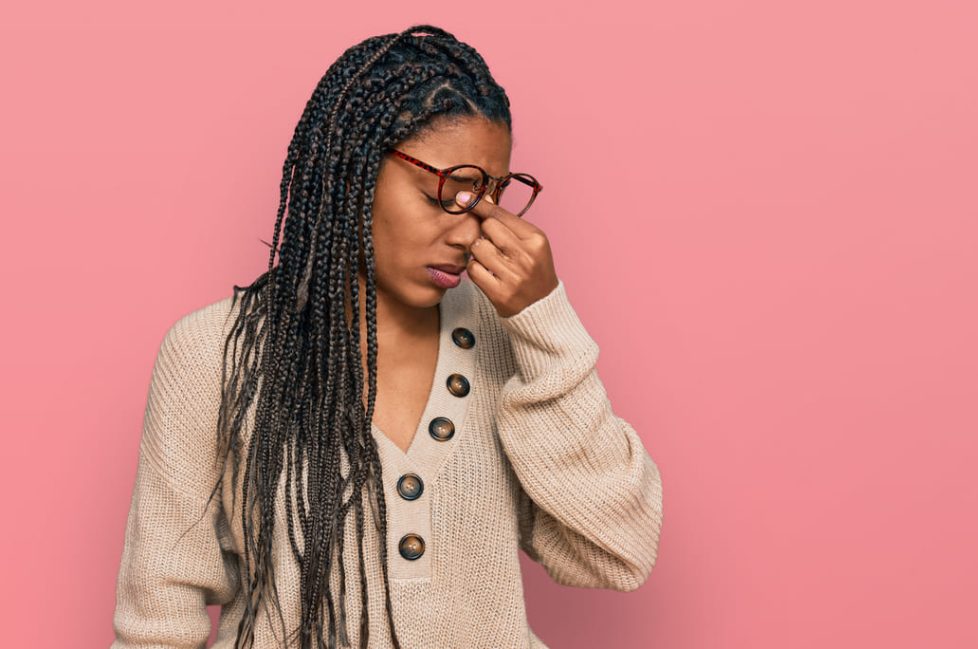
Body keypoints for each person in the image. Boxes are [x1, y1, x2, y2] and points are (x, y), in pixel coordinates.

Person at [110, 23, 663, 649]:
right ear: (353, 169)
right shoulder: (212, 356)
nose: (470, 230)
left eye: (489, 196)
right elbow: (156, 625)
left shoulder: (513, 340)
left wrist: (547, 322)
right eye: (447, 193)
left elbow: (619, 551)